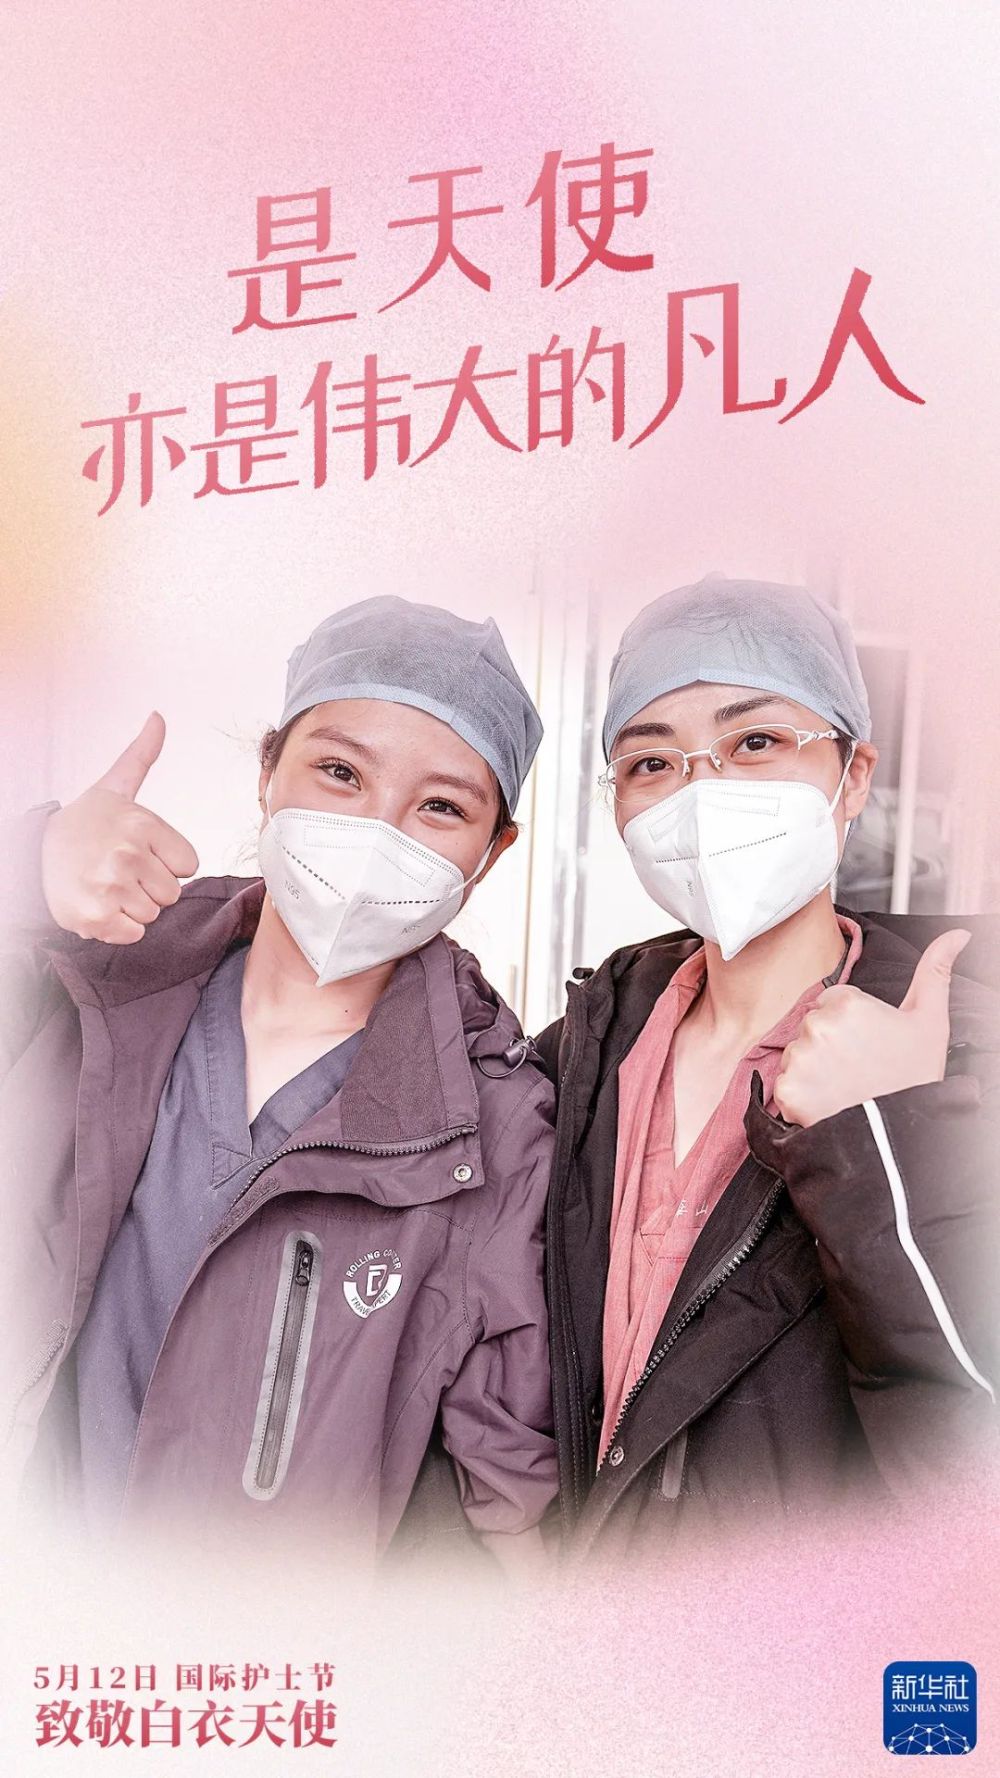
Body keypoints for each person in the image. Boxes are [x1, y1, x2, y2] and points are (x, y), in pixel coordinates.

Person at [0, 596, 557, 1574]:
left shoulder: (495, 1124)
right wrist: (27, 869)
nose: (375, 832)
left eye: (440, 806)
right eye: (340, 772)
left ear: (492, 850)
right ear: (268, 774)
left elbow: (511, 1495)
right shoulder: (87, 977)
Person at [537, 573, 999, 1561]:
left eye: (754, 742)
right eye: (651, 761)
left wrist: (888, 1138)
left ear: (854, 775)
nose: (701, 794)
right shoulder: (580, 1053)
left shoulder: (961, 1066)